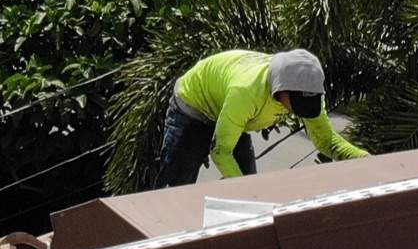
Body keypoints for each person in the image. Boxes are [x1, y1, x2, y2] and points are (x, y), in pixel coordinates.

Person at [152, 47, 367, 188]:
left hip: (233, 116)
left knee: (248, 180)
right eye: (296, 105)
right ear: (281, 88)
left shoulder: (307, 91)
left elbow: (326, 141)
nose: (297, 112)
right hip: (194, 107)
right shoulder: (246, 91)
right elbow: (221, 152)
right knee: (176, 188)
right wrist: (247, 193)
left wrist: (366, 161)